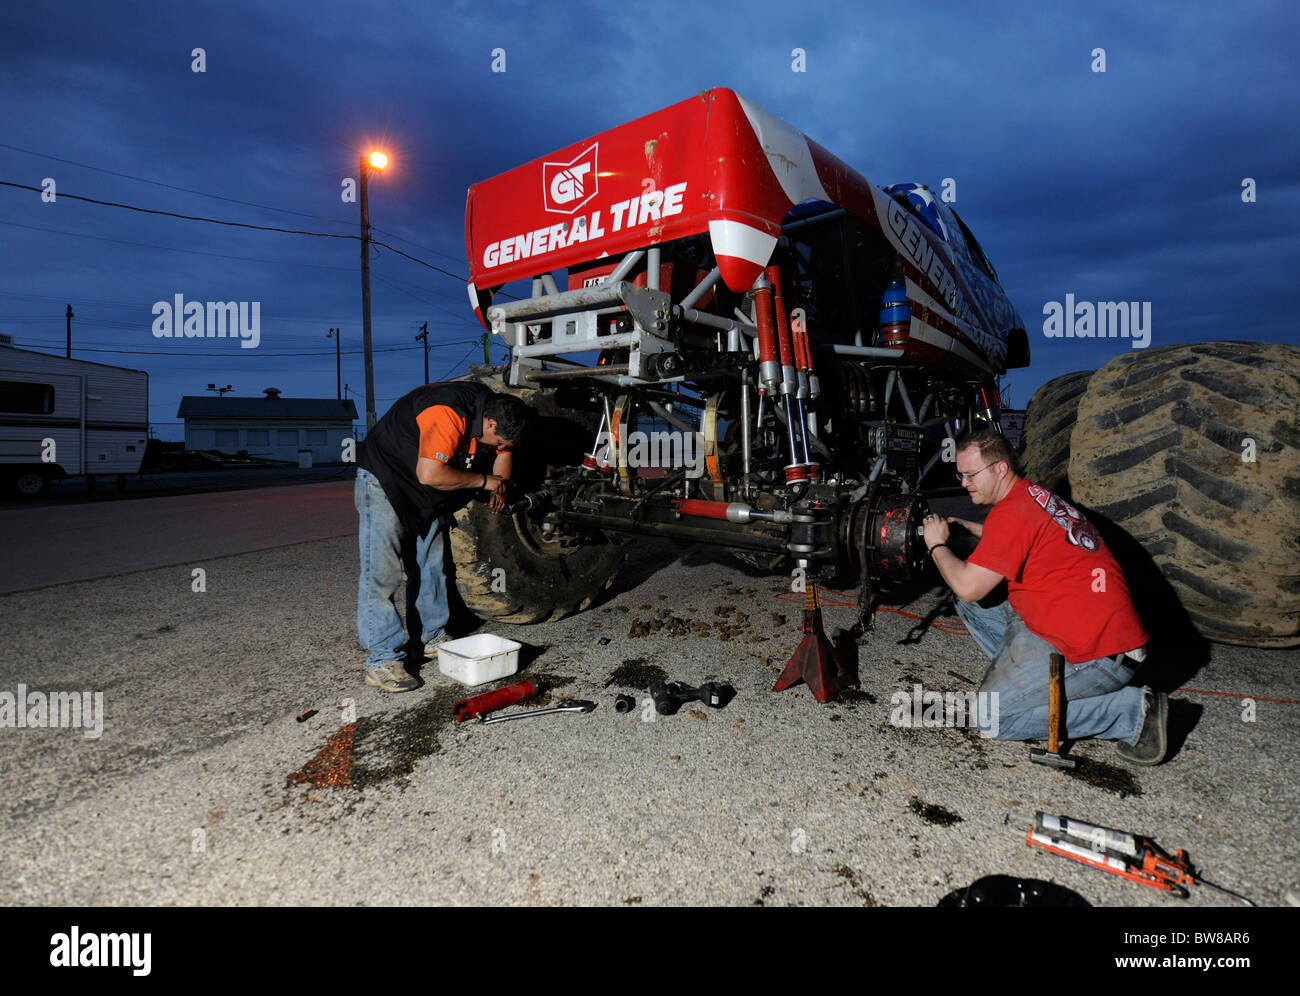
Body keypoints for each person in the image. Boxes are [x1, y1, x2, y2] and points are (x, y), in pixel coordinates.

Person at [921, 428, 1169, 765]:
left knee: (991, 717)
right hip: (1085, 626)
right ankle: (1025, 683)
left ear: (999, 469)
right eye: (960, 475)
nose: (964, 483)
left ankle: (1131, 714)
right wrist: (970, 527)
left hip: (1103, 656)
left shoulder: (1011, 513)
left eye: (970, 475)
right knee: (971, 604)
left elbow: (968, 584)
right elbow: (1022, 535)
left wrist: (936, 544)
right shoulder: (1029, 496)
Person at [354, 380, 530, 692]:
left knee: (432, 566)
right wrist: (486, 481)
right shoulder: (447, 410)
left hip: (425, 491)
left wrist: (499, 483)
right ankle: (382, 659)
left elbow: (500, 459)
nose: (498, 448)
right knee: (382, 574)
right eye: (498, 441)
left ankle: (431, 638)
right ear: (489, 423)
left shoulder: (495, 411)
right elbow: (431, 473)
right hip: (387, 481)